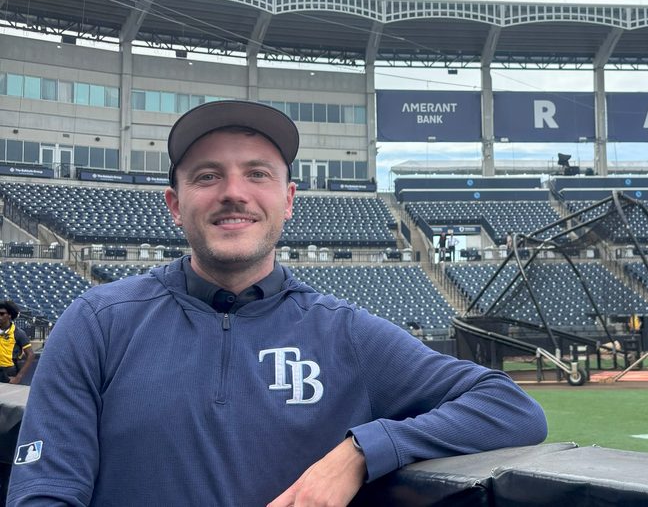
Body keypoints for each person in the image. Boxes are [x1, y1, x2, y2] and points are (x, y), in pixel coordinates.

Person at [8, 100, 547, 506]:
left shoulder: (346, 334)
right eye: (207, 176)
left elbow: (509, 407)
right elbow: (45, 493)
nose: (234, 192)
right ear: (175, 205)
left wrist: (363, 450)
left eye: (258, 173)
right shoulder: (99, 321)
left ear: (288, 201)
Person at [0, 301, 34, 384]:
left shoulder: (18, 333)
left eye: (2, 314)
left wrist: (19, 377)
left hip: (9, 372)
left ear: (9, 315)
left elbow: (31, 355)